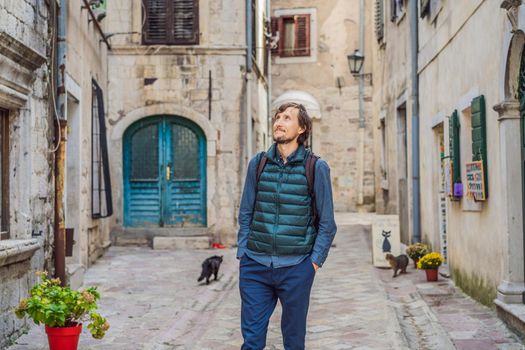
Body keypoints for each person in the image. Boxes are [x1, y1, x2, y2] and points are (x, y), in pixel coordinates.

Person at [237, 102, 337, 350]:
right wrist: (243, 252)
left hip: (296, 267)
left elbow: (327, 223)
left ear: (302, 128)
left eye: (287, 118)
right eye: (278, 117)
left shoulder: (315, 167)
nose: (279, 122)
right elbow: (246, 210)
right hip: (255, 266)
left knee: (293, 341)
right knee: (251, 341)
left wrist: (313, 263)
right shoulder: (258, 163)